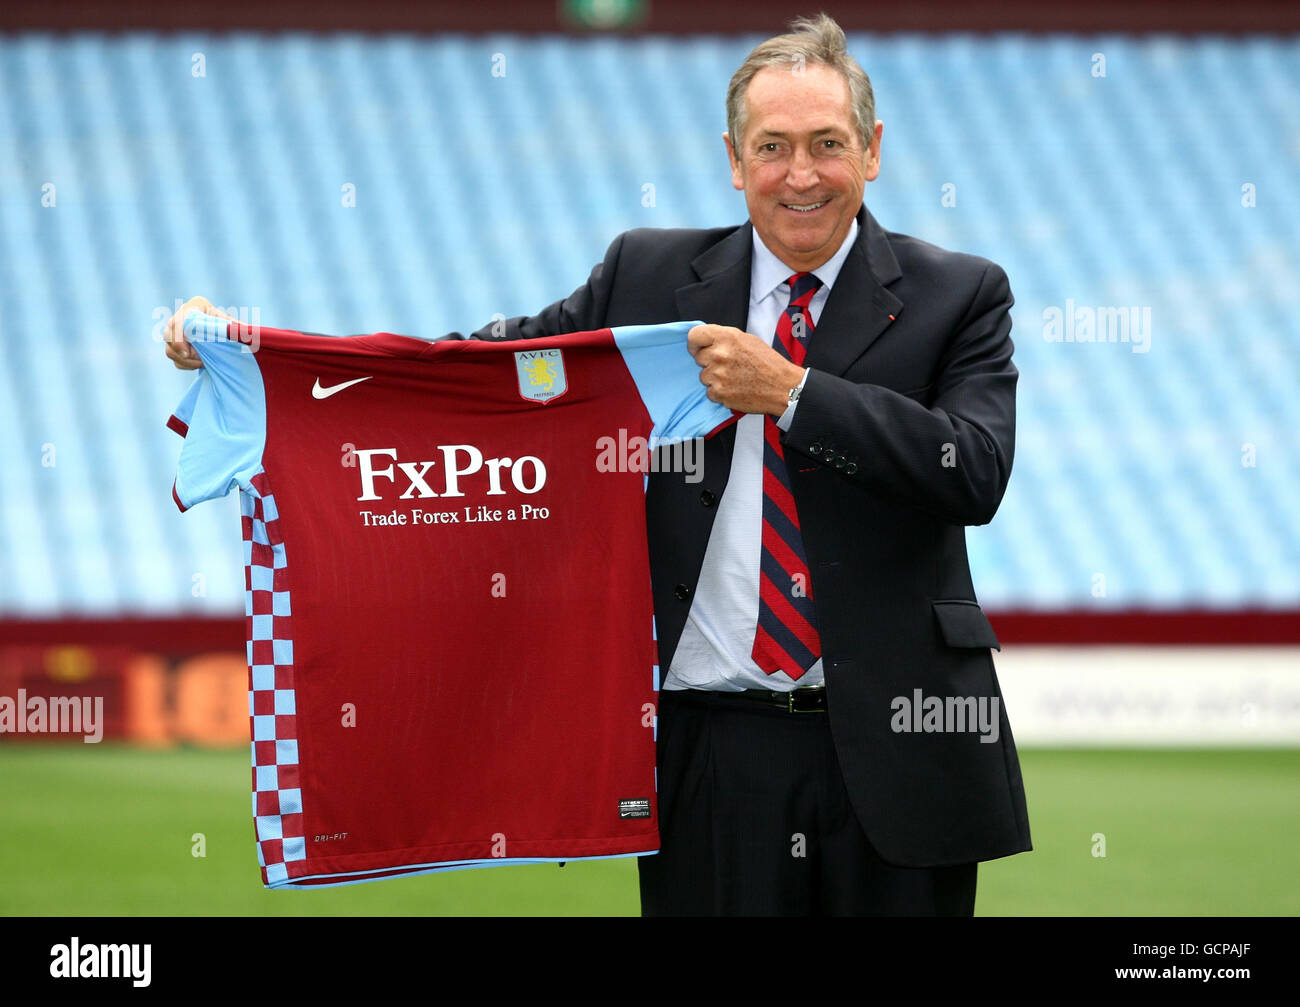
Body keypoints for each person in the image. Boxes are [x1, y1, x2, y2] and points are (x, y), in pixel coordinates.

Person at [164, 12, 1030, 915]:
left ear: (873, 149)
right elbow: (479, 375)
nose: (800, 174)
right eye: (772, 146)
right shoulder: (647, 277)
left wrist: (792, 392)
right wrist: (259, 354)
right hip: (706, 750)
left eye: (827, 144)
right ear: (734, 160)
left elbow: (972, 468)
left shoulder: (960, 293)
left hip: (903, 745)